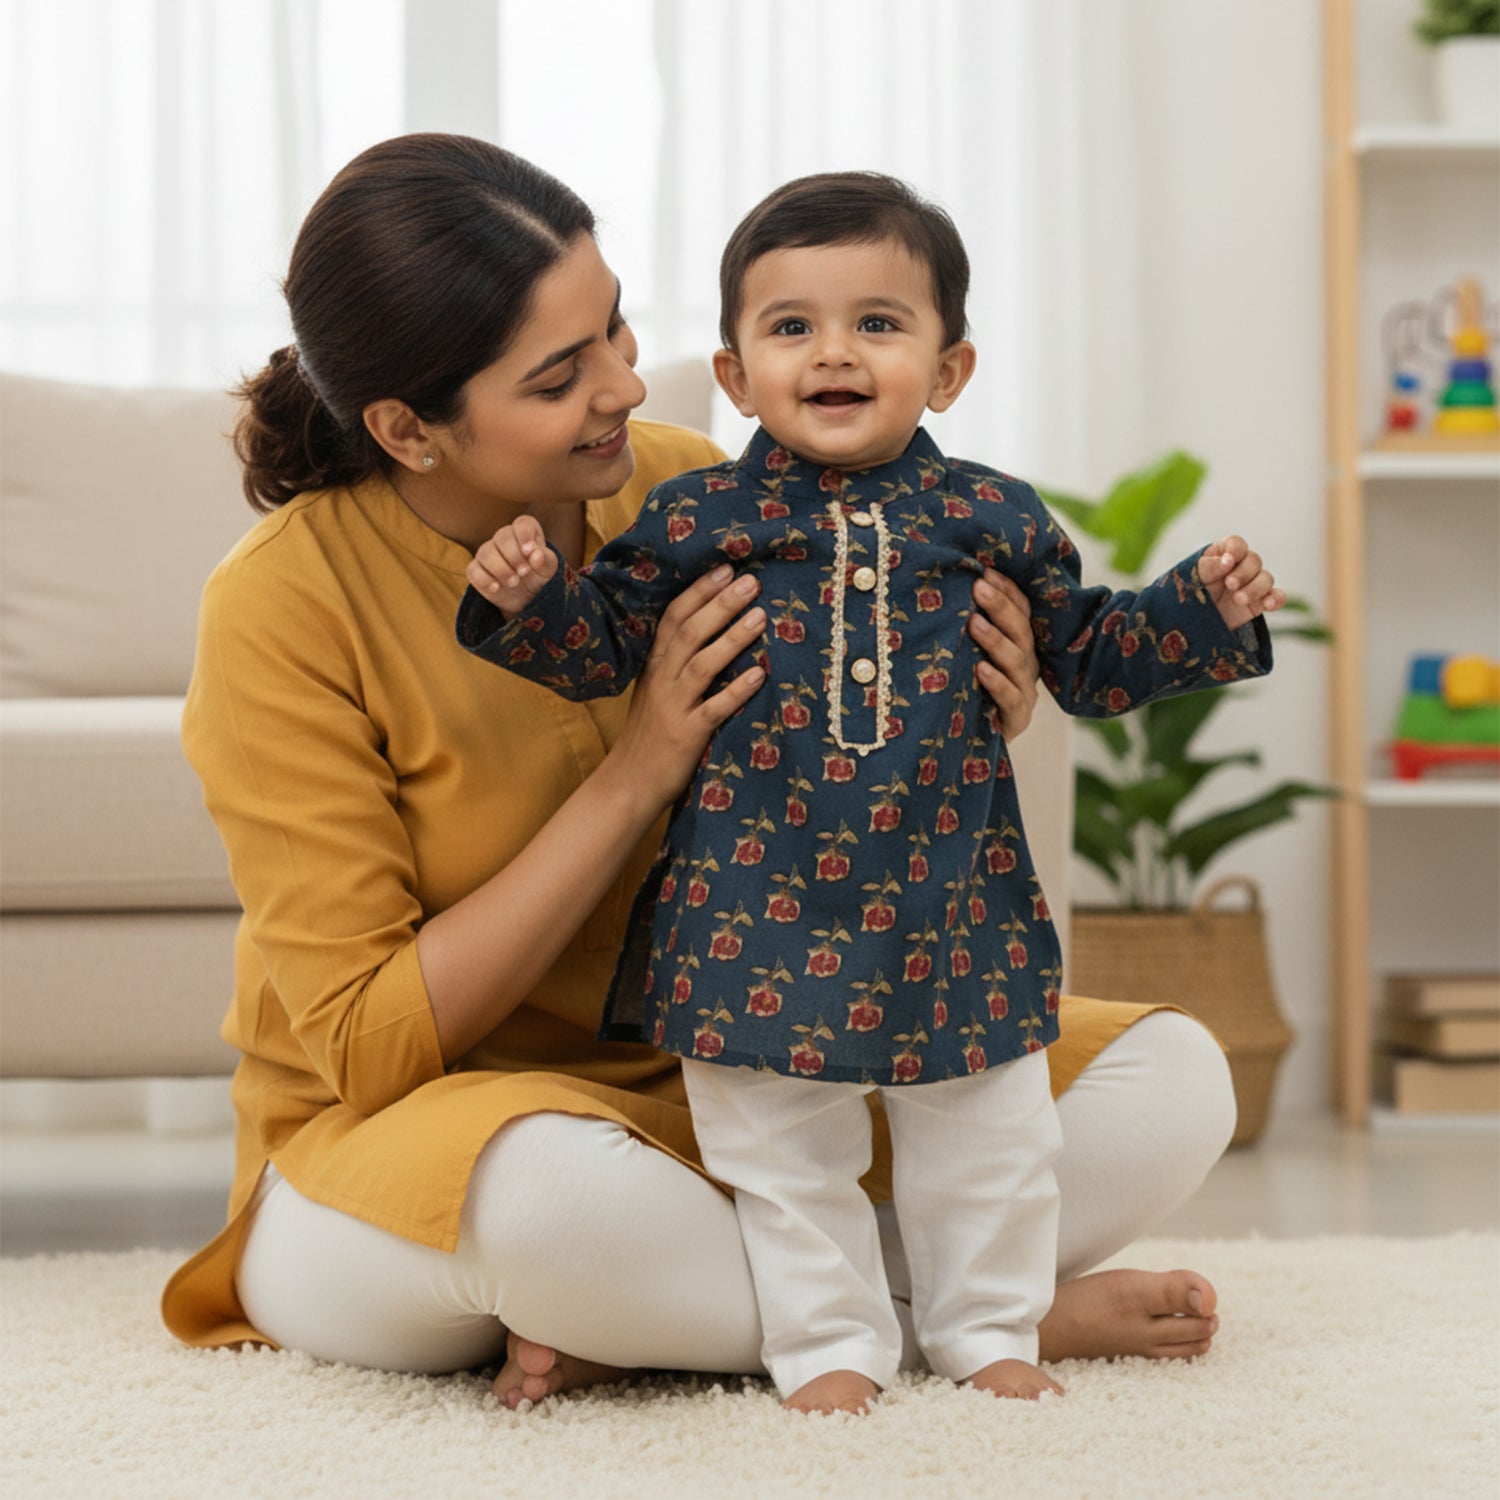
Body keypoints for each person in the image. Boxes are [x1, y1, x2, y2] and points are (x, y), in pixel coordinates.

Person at [163, 135, 1240, 1415]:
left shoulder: (689, 488)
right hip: (436, 1135)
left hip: (744, 1052)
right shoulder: (283, 605)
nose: (626, 384)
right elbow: (366, 1048)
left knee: (1171, 1080)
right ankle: (982, 1318)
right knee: (553, 1211)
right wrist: (638, 767)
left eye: (615, 327)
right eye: (563, 375)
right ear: (409, 428)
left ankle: (751, 1320)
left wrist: (965, 713)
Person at [456, 172, 1281, 1414]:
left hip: (954, 907)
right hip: (755, 914)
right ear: (734, 376)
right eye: (791, 327)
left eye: (878, 325)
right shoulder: (694, 520)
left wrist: (1198, 611)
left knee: (993, 1144)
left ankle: (993, 1326)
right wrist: (528, 599)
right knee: (780, 1159)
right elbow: (601, 648)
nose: (834, 352)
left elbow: (1093, 656)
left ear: (948, 370)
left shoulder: (995, 517)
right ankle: (832, 1351)